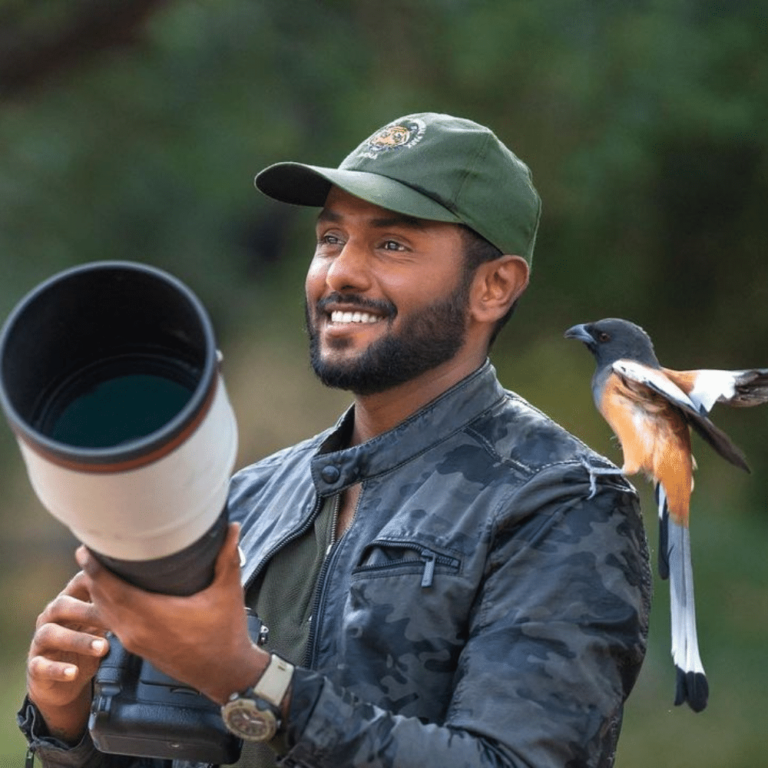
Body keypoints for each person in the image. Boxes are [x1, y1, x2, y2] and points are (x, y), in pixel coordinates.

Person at [18, 112, 651, 768]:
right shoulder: (246, 498)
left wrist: (250, 678)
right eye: (329, 238)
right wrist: (68, 721)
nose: (339, 274)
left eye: (392, 245)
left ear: (493, 287)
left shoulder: (561, 499)